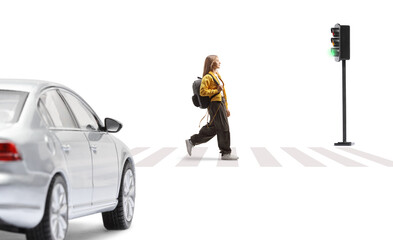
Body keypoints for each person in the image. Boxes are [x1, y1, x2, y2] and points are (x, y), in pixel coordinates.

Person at [186, 55, 238, 160]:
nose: (220, 62)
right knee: (223, 127)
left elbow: (223, 92)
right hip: (215, 104)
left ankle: (192, 141)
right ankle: (226, 153)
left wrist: (226, 107)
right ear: (211, 64)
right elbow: (203, 91)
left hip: (220, 103)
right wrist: (216, 91)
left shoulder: (217, 75)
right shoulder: (208, 77)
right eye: (217, 61)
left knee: (214, 128)